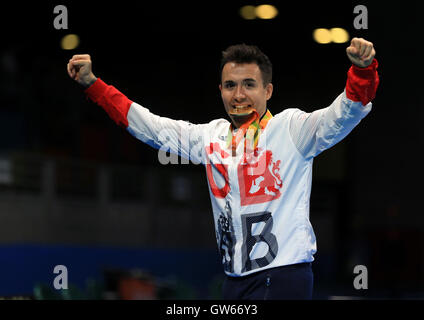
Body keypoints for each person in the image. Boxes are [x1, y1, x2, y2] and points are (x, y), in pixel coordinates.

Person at [67, 37, 379, 300]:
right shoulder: (210, 137)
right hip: (234, 281)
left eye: (249, 85)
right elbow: (150, 127)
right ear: (220, 90)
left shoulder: (291, 130)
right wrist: (94, 86)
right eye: (230, 85)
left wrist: (363, 71)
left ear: (268, 91)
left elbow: (343, 115)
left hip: (283, 277)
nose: (239, 94)